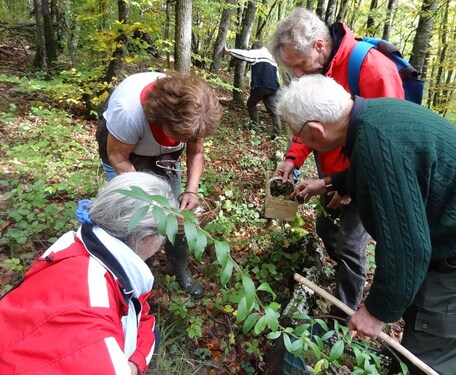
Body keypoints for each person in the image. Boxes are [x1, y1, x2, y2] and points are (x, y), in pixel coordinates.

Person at [277, 74, 456, 374]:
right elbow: (398, 173)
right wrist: (332, 182)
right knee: (418, 314)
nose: (301, 143)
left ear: (316, 130)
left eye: (300, 136)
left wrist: (376, 311)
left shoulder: (378, 144)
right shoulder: (371, 116)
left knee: (432, 340)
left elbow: (408, 248)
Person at [269, 7, 405, 313]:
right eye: (292, 70)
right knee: (327, 228)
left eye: (300, 66)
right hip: (328, 170)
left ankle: (343, 313)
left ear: (319, 45)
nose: (299, 76)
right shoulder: (315, 69)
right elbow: (307, 124)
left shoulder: (372, 69)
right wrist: (293, 158)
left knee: (350, 246)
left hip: (367, 175)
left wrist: (350, 186)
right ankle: (334, 272)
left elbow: (390, 144)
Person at [0, 172, 178, 375]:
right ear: (146, 238)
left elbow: (140, 312)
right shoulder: (93, 311)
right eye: (164, 235)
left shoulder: (79, 250)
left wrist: (135, 363)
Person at [96, 71, 222, 298]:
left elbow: (196, 153)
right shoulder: (128, 112)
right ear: (162, 118)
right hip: (125, 156)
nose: (183, 141)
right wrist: (150, 201)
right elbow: (117, 158)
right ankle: (135, 274)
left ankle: (178, 268)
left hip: (163, 159)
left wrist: (191, 190)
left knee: (178, 215)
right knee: (137, 220)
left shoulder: (194, 113)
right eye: (179, 135)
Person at [224, 41, 281, 138]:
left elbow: (244, 55)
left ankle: (255, 126)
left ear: (255, 47)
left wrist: (229, 51)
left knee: (251, 104)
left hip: (260, 85)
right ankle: (277, 133)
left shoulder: (257, 53)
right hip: (273, 88)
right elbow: (277, 75)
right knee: (273, 111)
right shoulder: (272, 58)